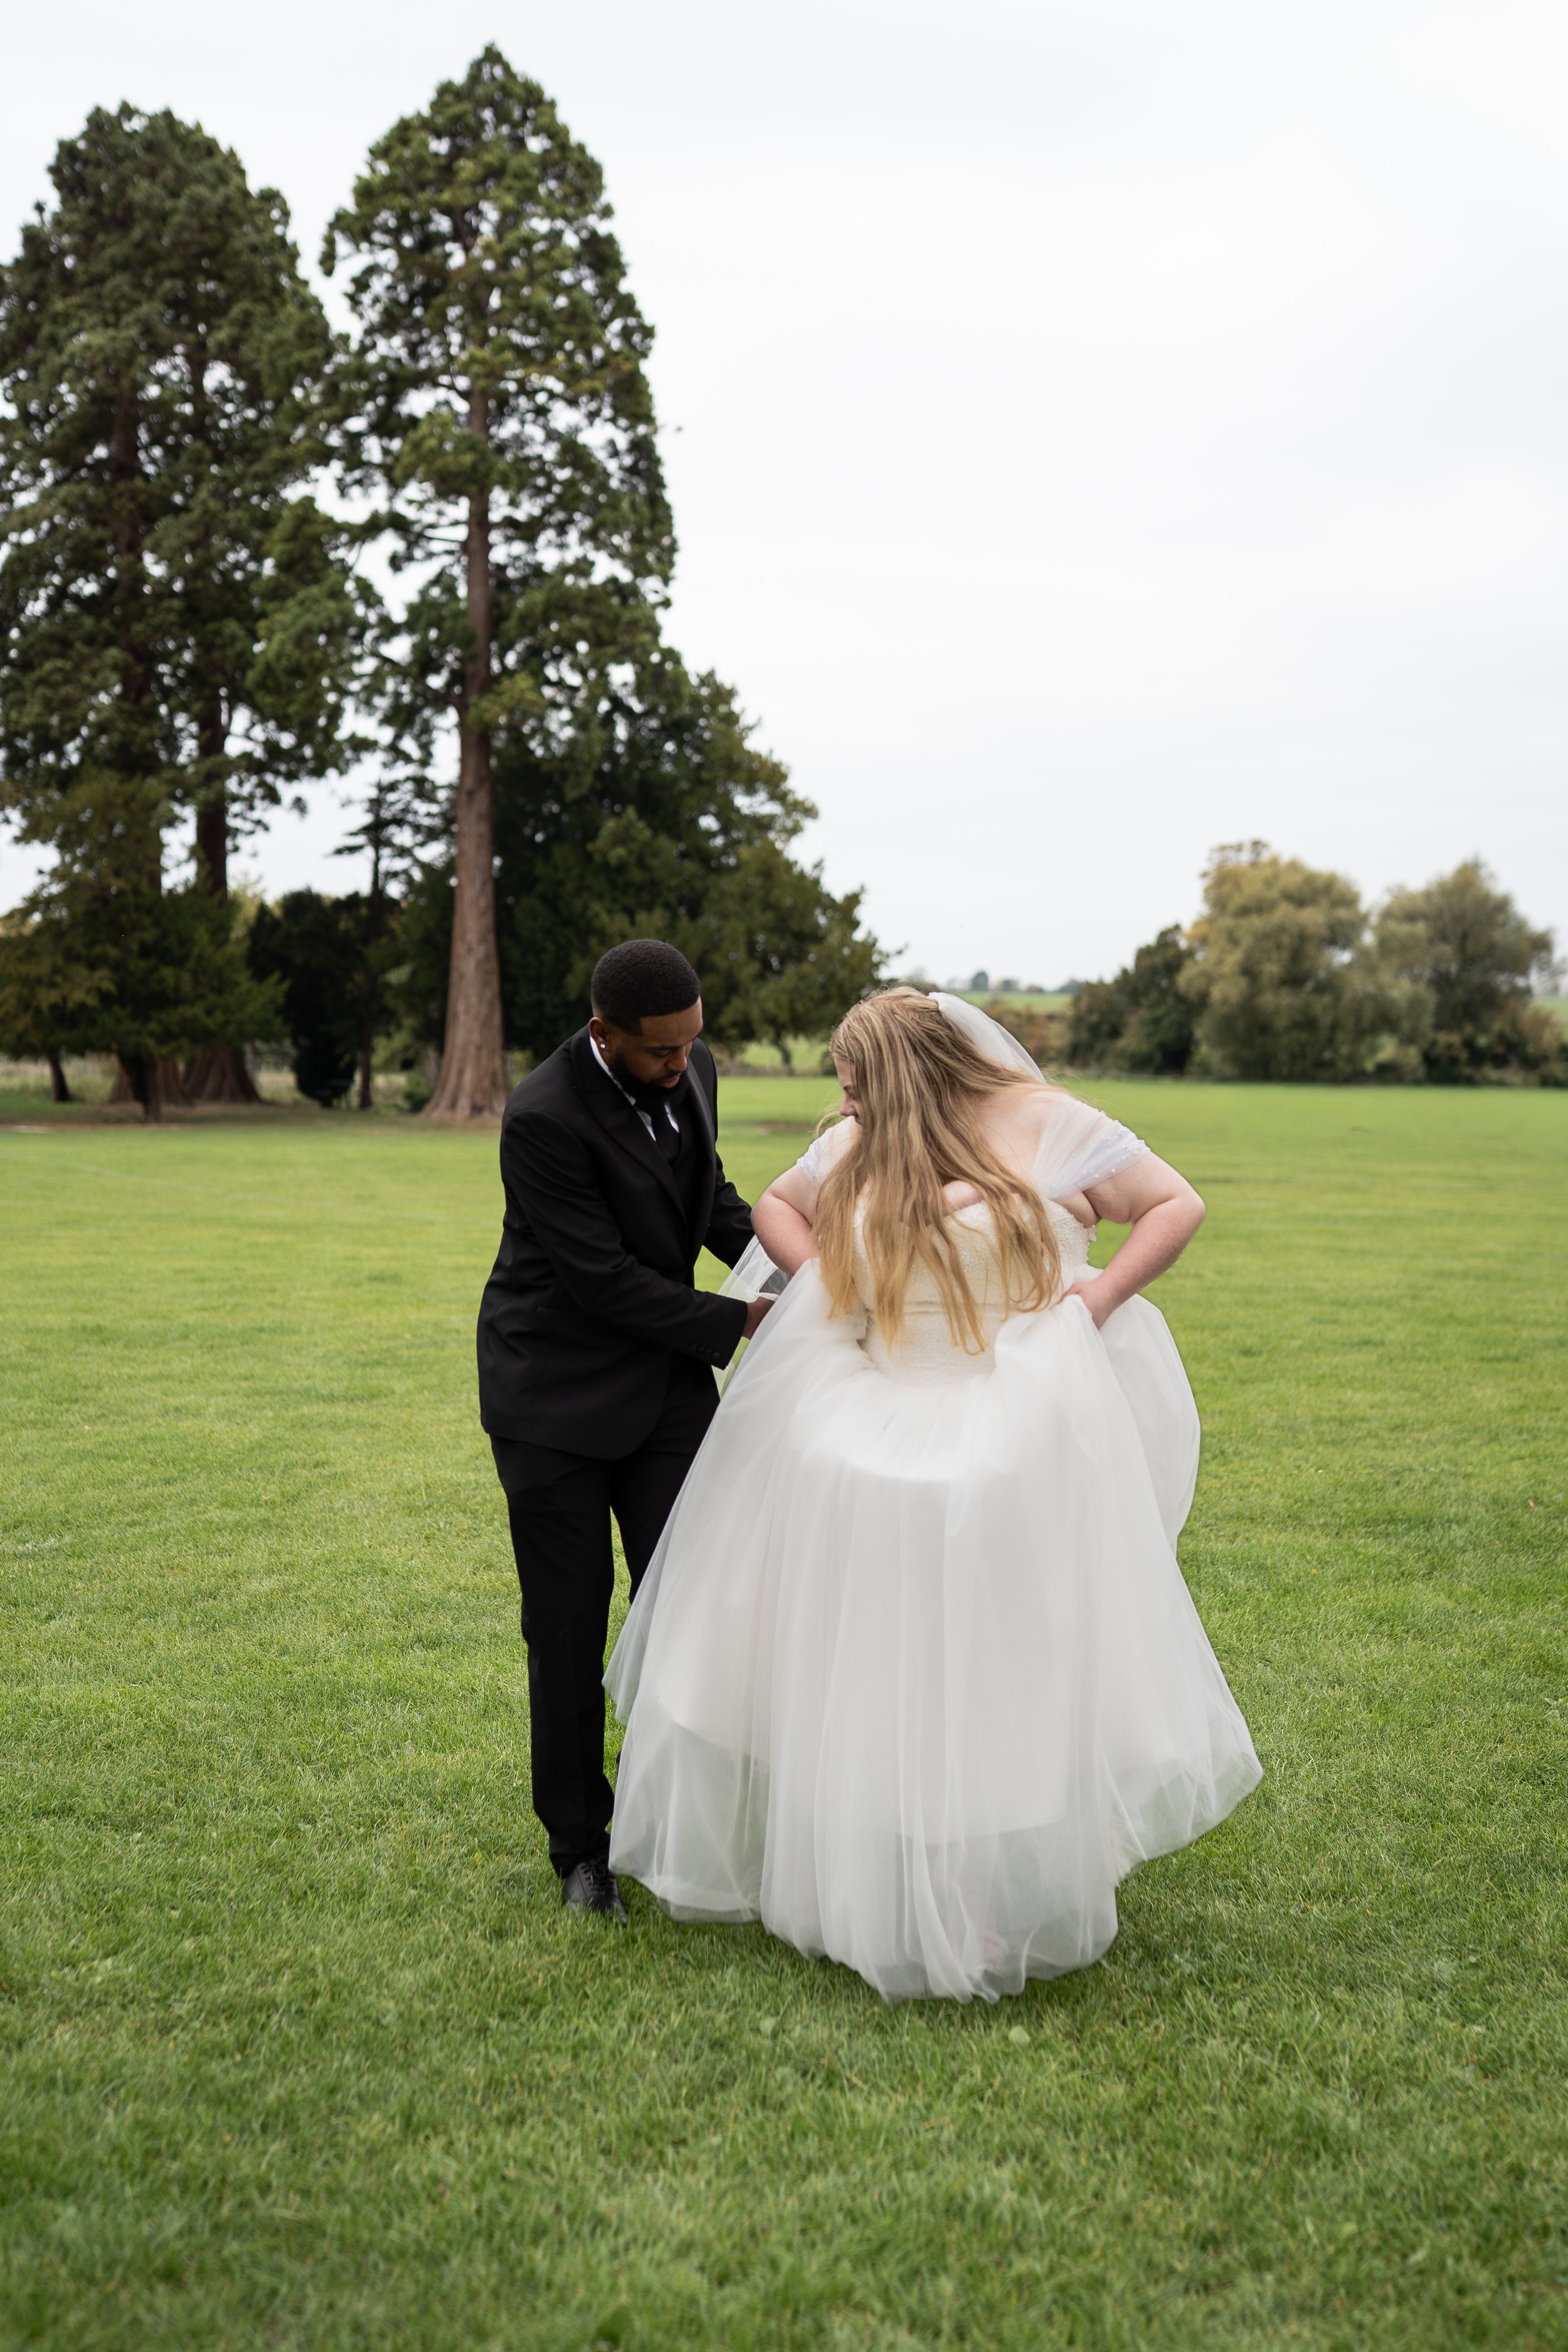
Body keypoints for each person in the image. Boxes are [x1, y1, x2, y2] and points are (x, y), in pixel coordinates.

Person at [606, 987, 1261, 2000]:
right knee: (874, 1638)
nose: (847, 1105)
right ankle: (865, 1867)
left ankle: (987, 1881)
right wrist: (827, 1274)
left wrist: (1099, 1296)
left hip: (1010, 1397)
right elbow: (780, 1204)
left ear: (909, 1071)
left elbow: (1177, 1202)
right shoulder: (859, 1145)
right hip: (879, 1394)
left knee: (994, 1642)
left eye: (858, 1086)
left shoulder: (1048, 1124)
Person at [477, 940, 769, 1919]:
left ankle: (681, 1819)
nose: (682, 1064)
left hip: (666, 1390)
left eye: (693, 1044)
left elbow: (709, 1201)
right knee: (566, 1630)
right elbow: (599, 1280)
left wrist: (799, 1273)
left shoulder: (697, 1066)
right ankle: (581, 1847)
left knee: (690, 1605)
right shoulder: (542, 1115)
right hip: (552, 1394)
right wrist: (741, 1322)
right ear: (604, 1032)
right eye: (661, 1052)